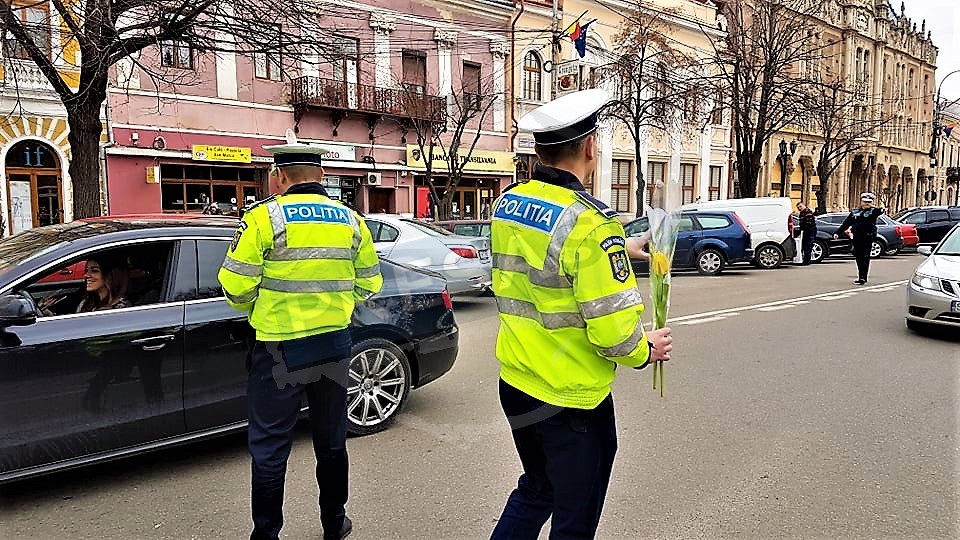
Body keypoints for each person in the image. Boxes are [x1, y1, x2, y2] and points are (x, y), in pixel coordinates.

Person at [489, 89, 673, 539]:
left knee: (536, 491)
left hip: (517, 382)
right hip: (573, 400)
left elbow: (545, 267)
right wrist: (645, 349)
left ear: (540, 149)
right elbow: (613, 334)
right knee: (575, 519)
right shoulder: (592, 224)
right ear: (591, 147)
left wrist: (619, 250)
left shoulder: (508, 203)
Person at [218, 131, 383, 540]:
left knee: (271, 447)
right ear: (322, 174)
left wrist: (259, 309)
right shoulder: (351, 220)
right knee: (331, 442)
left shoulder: (263, 218)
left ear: (278, 177)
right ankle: (334, 523)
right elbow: (370, 283)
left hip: (278, 348)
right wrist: (334, 306)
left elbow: (235, 286)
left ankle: (267, 534)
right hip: (332, 345)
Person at [834, 192, 884, 284]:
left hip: (868, 237)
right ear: (861, 202)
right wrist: (838, 232)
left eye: (869, 202)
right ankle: (860, 275)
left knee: (865, 257)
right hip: (857, 237)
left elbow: (880, 210)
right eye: (865, 202)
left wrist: (879, 207)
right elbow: (846, 223)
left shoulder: (873, 212)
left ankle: (863, 277)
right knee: (858, 257)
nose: (866, 204)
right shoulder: (855, 212)